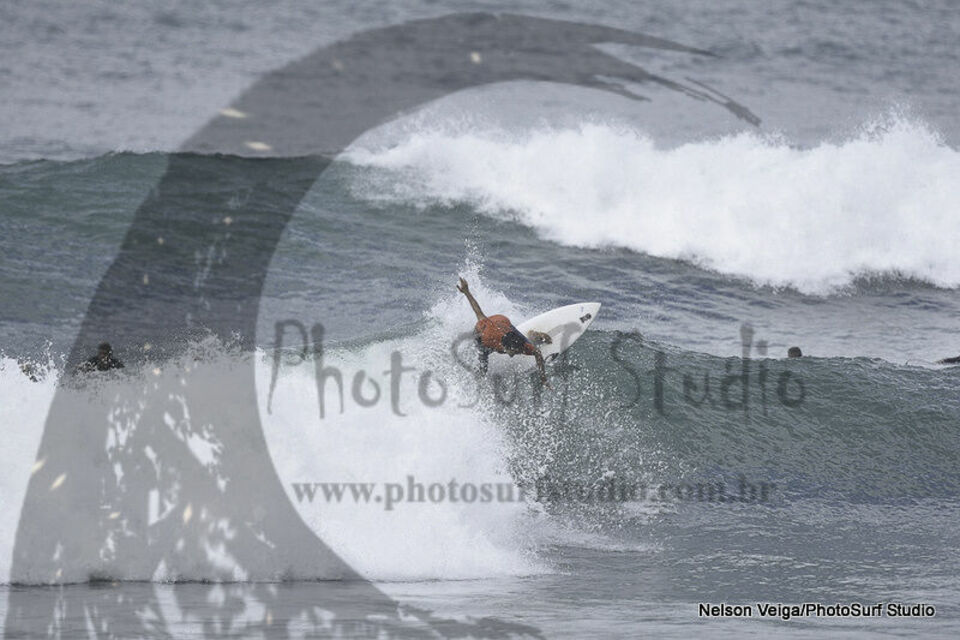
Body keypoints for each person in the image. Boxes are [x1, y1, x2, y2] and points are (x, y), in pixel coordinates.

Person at [457, 277, 549, 386]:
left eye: (516, 351)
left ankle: (532, 336)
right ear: (503, 347)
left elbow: (537, 353)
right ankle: (478, 382)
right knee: (483, 367)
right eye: (512, 352)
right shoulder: (488, 339)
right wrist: (467, 292)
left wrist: (543, 379)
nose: (513, 355)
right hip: (483, 330)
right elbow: (478, 312)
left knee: (530, 346)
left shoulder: (520, 344)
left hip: (504, 322)